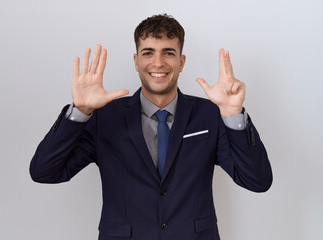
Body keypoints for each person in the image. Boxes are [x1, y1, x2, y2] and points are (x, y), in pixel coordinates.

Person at [30, 14, 272, 240]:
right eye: (148, 53)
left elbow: (257, 181)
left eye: (168, 52)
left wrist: (232, 115)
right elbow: (44, 172)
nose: (158, 63)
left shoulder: (210, 115)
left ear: (181, 61)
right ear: (136, 61)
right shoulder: (103, 118)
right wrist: (80, 111)